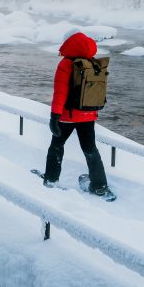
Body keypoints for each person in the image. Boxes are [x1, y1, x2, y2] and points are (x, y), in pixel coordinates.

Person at [42, 32, 111, 196]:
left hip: (67, 116)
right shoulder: (94, 63)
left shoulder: (66, 64)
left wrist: (54, 117)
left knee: (56, 146)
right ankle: (99, 185)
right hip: (88, 115)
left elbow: (60, 93)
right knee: (90, 149)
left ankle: (51, 179)